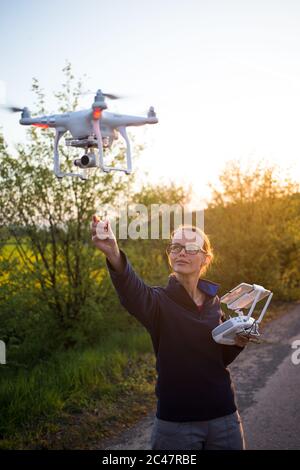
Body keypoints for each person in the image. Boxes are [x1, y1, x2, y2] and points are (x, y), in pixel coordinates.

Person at [91, 216, 250, 450]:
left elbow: (219, 359)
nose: (181, 253)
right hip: (177, 425)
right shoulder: (157, 302)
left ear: (205, 258)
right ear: (170, 254)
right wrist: (113, 253)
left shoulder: (214, 302)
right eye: (175, 247)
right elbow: (131, 291)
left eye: (190, 248)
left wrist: (237, 342)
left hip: (224, 417)